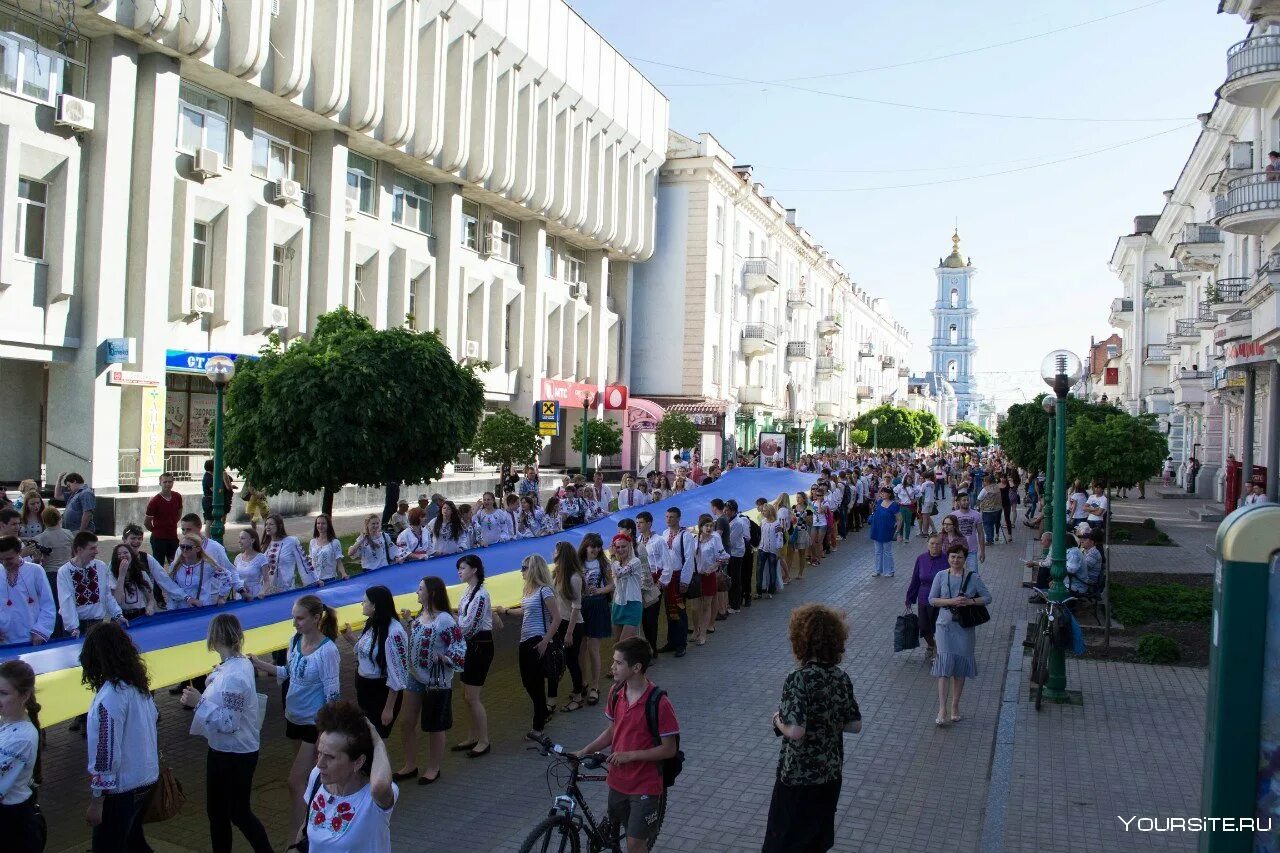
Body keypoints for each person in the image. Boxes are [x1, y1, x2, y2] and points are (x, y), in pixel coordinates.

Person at [762, 605, 861, 853]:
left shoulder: (799, 678)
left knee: (783, 843)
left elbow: (796, 731)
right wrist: (828, 721)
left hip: (798, 777)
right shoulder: (841, 676)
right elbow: (855, 724)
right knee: (816, 843)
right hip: (830, 774)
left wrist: (777, 720)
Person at [576, 637, 679, 853]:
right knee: (617, 837)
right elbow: (613, 731)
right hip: (617, 782)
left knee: (634, 844)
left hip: (645, 785)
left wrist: (630, 755)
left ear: (636, 668)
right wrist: (585, 751)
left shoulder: (659, 703)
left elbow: (669, 749)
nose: (612, 667)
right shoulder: (615, 693)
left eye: (618, 663)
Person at [251, 595, 341, 838]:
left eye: (299, 618)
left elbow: (333, 694)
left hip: (314, 725)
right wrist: (259, 664)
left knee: (296, 782)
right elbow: (288, 672)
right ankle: (320, 820)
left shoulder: (328, 651)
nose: (295, 623)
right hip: (293, 719)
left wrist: (328, 732)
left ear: (315, 618)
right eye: (293, 618)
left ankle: (298, 834)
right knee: (314, 779)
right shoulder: (294, 640)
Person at [181, 614, 273, 853]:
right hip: (226, 751)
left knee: (236, 813)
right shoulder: (234, 665)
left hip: (234, 754)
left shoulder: (234, 674)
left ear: (215, 637)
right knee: (221, 813)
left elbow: (230, 722)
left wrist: (199, 702)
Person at [80, 622, 159, 852]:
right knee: (134, 841)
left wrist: (97, 800)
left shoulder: (110, 697)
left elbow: (105, 753)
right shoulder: (137, 687)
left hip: (121, 789)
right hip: (146, 779)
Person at [295, 701, 397, 852]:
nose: (320, 763)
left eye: (330, 757)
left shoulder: (373, 798)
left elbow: (380, 786)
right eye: (319, 753)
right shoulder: (317, 776)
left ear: (358, 762)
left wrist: (377, 741)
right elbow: (305, 827)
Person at [396, 577, 465, 786]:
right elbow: (420, 637)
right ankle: (410, 764)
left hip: (436, 681)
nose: (417, 592)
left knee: (435, 726)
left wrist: (445, 658)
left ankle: (433, 767)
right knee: (406, 722)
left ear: (431, 593)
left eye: (420, 589)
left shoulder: (444, 620)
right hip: (414, 677)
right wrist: (409, 621)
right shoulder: (422, 615)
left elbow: (459, 646)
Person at [497, 555, 562, 739]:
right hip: (525, 640)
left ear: (533, 569)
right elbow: (524, 611)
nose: (521, 571)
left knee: (535, 683)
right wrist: (506, 611)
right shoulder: (528, 591)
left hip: (537, 639)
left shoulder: (545, 591)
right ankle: (541, 714)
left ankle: (538, 726)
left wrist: (545, 640)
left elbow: (556, 618)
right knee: (528, 682)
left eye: (524, 568)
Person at [929, 544, 992, 726]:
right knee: (944, 667)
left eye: (960, 557)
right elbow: (932, 600)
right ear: (948, 558)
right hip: (944, 627)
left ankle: (955, 705)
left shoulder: (973, 577)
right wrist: (951, 601)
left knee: (960, 668)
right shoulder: (941, 576)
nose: (956, 560)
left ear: (965, 559)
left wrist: (970, 601)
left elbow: (987, 597)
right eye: (953, 557)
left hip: (964, 627)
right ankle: (942, 708)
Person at [340, 585, 408, 740]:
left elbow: (398, 673)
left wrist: (388, 708)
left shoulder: (395, 632)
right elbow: (368, 652)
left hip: (381, 693)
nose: (361, 604)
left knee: (376, 742)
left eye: (364, 601)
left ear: (375, 605)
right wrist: (350, 638)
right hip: (365, 689)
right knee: (368, 737)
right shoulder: (372, 623)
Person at [0, 660, 44, 851]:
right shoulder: (5, 722)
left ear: (24, 695)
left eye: (3, 693)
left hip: (11, 826)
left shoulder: (22, 738)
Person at [453, 555, 494, 757]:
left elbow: (469, 626)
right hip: (471, 645)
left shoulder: (481, 595)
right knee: (466, 696)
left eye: (462, 568)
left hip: (480, 645)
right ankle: (472, 736)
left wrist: (453, 623)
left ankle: (484, 740)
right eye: (459, 568)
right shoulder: (468, 592)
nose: (459, 571)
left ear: (474, 570)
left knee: (473, 697)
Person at [56, 533, 126, 638]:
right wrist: (73, 627)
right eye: (92, 548)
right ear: (79, 550)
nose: (96, 551)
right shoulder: (64, 572)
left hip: (97, 624)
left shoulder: (100, 566)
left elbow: (107, 594)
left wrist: (118, 615)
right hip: (77, 626)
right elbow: (66, 601)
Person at [550, 541, 587, 712]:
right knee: (566, 659)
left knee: (572, 661)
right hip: (561, 622)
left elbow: (576, 606)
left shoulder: (574, 577)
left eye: (555, 551)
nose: (553, 554)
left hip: (572, 624)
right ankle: (577, 689)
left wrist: (570, 632)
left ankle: (579, 696)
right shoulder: (558, 574)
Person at [578, 533, 614, 704]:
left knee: (593, 648)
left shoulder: (603, 563)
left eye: (599, 547)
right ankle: (583, 682)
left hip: (598, 605)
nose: (596, 550)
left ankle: (595, 686)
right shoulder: (577, 563)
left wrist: (600, 591)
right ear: (586, 546)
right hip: (581, 606)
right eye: (593, 546)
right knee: (581, 646)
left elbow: (611, 584)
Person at [0, 536, 55, 646]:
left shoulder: (35, 570)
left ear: (19, 552)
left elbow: (48, 604)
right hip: (3, 641)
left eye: (9, 559)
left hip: (32, 638)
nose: (5, 563)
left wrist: (41, 630)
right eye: (1, 559)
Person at [905, 536, 949, 662]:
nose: (935, 546)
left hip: (941, 598)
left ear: (942, 545)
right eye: (932, 543)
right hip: (924, 596)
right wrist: (909, 598)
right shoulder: (921, 558)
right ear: (927, 544)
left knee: (938, 627)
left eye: (938, 544)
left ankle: (939, 651)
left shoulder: (947, 559)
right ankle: (931, 644)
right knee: (923, 626)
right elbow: (915, 580)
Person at [691, 513, 729, 646]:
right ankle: (696, 629)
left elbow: (723, 557)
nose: (708, 528)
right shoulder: (695, 539)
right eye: (706, 525)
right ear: (700, 527)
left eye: (711, 526)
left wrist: (712, 567)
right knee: (695, 607)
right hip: (696, 576)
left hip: (709, 575)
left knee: (707, 604)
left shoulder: (715, 539)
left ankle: (703, 634)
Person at [263, 515, 319, 592]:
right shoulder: (266, 544)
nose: (267, 526)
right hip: (268, 590)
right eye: (266, 524)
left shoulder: (291, 541)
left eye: (271, 524)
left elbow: (304, 561)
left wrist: (314, 580)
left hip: (286, 589)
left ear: (280, 526)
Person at [143, 473, 183, 567]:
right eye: (165, 482)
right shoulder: (155, 501)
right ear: (160, 483)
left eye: (170, 482)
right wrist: (157, 530)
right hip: (158, 539)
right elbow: (147, 522)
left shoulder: (177, 496)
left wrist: (171, 523)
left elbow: (179, 513)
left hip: (173, 537)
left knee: (175, 564)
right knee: (158, 566)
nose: (168, 484)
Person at [609, 533, 644, 641]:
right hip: (618, 605)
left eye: (623, 546)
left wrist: (612, 556)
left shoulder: (635, 561)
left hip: (633, 605)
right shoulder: (615, 563)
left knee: (625, 644)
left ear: (630, 546)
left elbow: (620, 573)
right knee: (617, 644)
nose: (620, 550)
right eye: (617, 547)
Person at [108, 543, 156, 621]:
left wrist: (150, 607)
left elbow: (150, 599)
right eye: (119, 554)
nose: (122, 555)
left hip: (140, 614)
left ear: (131, 555)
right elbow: (117, 601)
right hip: (121, 616)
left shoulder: (142, 574)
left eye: (125, 552)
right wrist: (122, 575)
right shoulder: (111, 576)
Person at [868, 487, 900, 578]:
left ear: (889, 494)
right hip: (877, 529)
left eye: (885, 492)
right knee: (877, 551)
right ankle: (878, 570)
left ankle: (890, 570)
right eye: (882, 492)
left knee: (887, 551)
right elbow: (875, 513)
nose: (883, 494)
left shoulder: (894, 505)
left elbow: (899, 519)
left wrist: (897, 531)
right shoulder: (879, 502)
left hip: (887, 531)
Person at [949, 492, 986, 571]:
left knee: (973, 574)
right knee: (956, 574)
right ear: (958, 502)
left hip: (971, 550)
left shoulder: (977, 515)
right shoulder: (953, 515)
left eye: (967, 500)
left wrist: (982, 551)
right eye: (964, 500)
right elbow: (948, 533)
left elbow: (980, 533)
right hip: (956, 551)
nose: (967, 502)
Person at [1065, 529, 1105, 595]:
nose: (1082, 541)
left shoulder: (1093, 553)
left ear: (1092, 542)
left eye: (1085, 539)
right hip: (1082, 578)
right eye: (1081, 539)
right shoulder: (1085, 551)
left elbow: (1084, 568)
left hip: (1087, 581)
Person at [757, 503, 784, 598]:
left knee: (772, 570)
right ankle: (759, 591)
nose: (763, 513)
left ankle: (771, 591)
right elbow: (761, 535)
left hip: (773, 550)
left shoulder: (777, 524)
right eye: (763, 511)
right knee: (759, 570)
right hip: (762, 549)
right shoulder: (763, 522)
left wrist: (778, 551)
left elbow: (779, 538)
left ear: (770, 511)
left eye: (765, 511)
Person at [34, 508, 73, 573]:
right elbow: (74, 554)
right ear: (60, 518)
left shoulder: (39, 538)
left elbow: (37, 560)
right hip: (67, 570)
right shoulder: (68, 533)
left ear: (44, 521)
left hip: (50, 571)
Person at [311, 514, 348, 583]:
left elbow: (339, 562)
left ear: (328, 525)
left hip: (329, 580)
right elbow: (312, 561)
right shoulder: (312, 542)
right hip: (315, 581)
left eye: (323, 523)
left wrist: (343, 573)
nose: (320, 526)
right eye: (318, 523)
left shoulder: (335, 542)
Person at [234, 529, 269, 600]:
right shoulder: (238, 558)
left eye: (242, 538)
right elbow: (235, 579)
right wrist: (235, 596)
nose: (239, 541)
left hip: (256, 595)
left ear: (252, 540)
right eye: (239, 538)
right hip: (240, 594)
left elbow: (267, 581)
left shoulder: (261, 558)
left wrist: (262, 592)